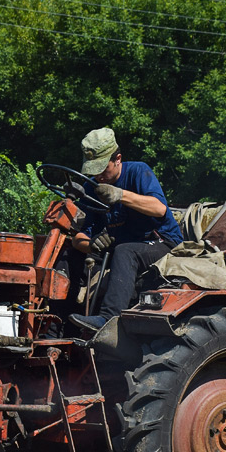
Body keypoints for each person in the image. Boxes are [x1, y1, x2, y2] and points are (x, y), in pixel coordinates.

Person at [68, 127, 183, 332]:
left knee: (125, 251)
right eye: (94, 170)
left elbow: (159, 209)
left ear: (118, 159)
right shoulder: (91, 187)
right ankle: (59, 325)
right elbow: (79, 237)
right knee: (67, 255)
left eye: (103, 168)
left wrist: (120, 195)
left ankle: (108, 320)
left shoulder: (138, 171)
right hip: (123, 248)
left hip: (163, 243)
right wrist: (91, 245)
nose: (99, 175)